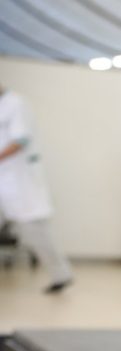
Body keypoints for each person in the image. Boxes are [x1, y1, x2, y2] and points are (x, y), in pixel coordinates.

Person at [0, 86, 72, 293]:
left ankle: (61, 275)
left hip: (19, 178)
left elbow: (20, 140)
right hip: (5, 177)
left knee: (37, 229)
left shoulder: (16, 104)